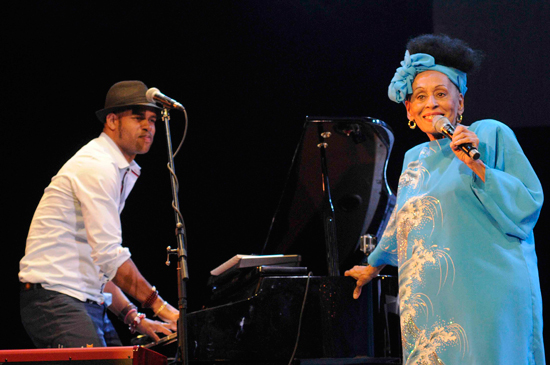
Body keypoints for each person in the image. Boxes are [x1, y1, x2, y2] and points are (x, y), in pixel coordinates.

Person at [345, 34, 545, 364]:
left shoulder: (490, 134)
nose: (432, 104)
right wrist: (372, 266)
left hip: (484, 295)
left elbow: (527, 203)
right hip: (427, 304)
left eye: (441, 94)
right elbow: (402, 225)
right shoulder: (413, 158)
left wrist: (476, 165)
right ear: (409, 109)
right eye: (420, 96)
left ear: (461, 103)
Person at [19, 80, 180, 348]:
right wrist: (163, 309)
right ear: (112, 121)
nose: (148, 126)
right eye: (138, 117)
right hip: (55, 299)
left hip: (82, 300)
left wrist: (135, 318)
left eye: (152, 119)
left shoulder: (119, 169)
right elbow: (109, 256)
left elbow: (99, 264)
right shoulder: (97, 165)